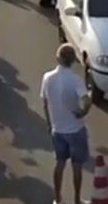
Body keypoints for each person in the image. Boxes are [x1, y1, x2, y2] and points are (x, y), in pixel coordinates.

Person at [40, 43, 92, 204]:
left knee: (59, 163)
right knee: (77, 166)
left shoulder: (47, 77)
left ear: (58, 58)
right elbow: (86, 99)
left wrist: (49, 124)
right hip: (75, 129)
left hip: (58, 129)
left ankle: (58, 199)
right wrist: (84, 111)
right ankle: (77, 200)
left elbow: (44, 102)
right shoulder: (75, 79)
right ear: (72, 61)